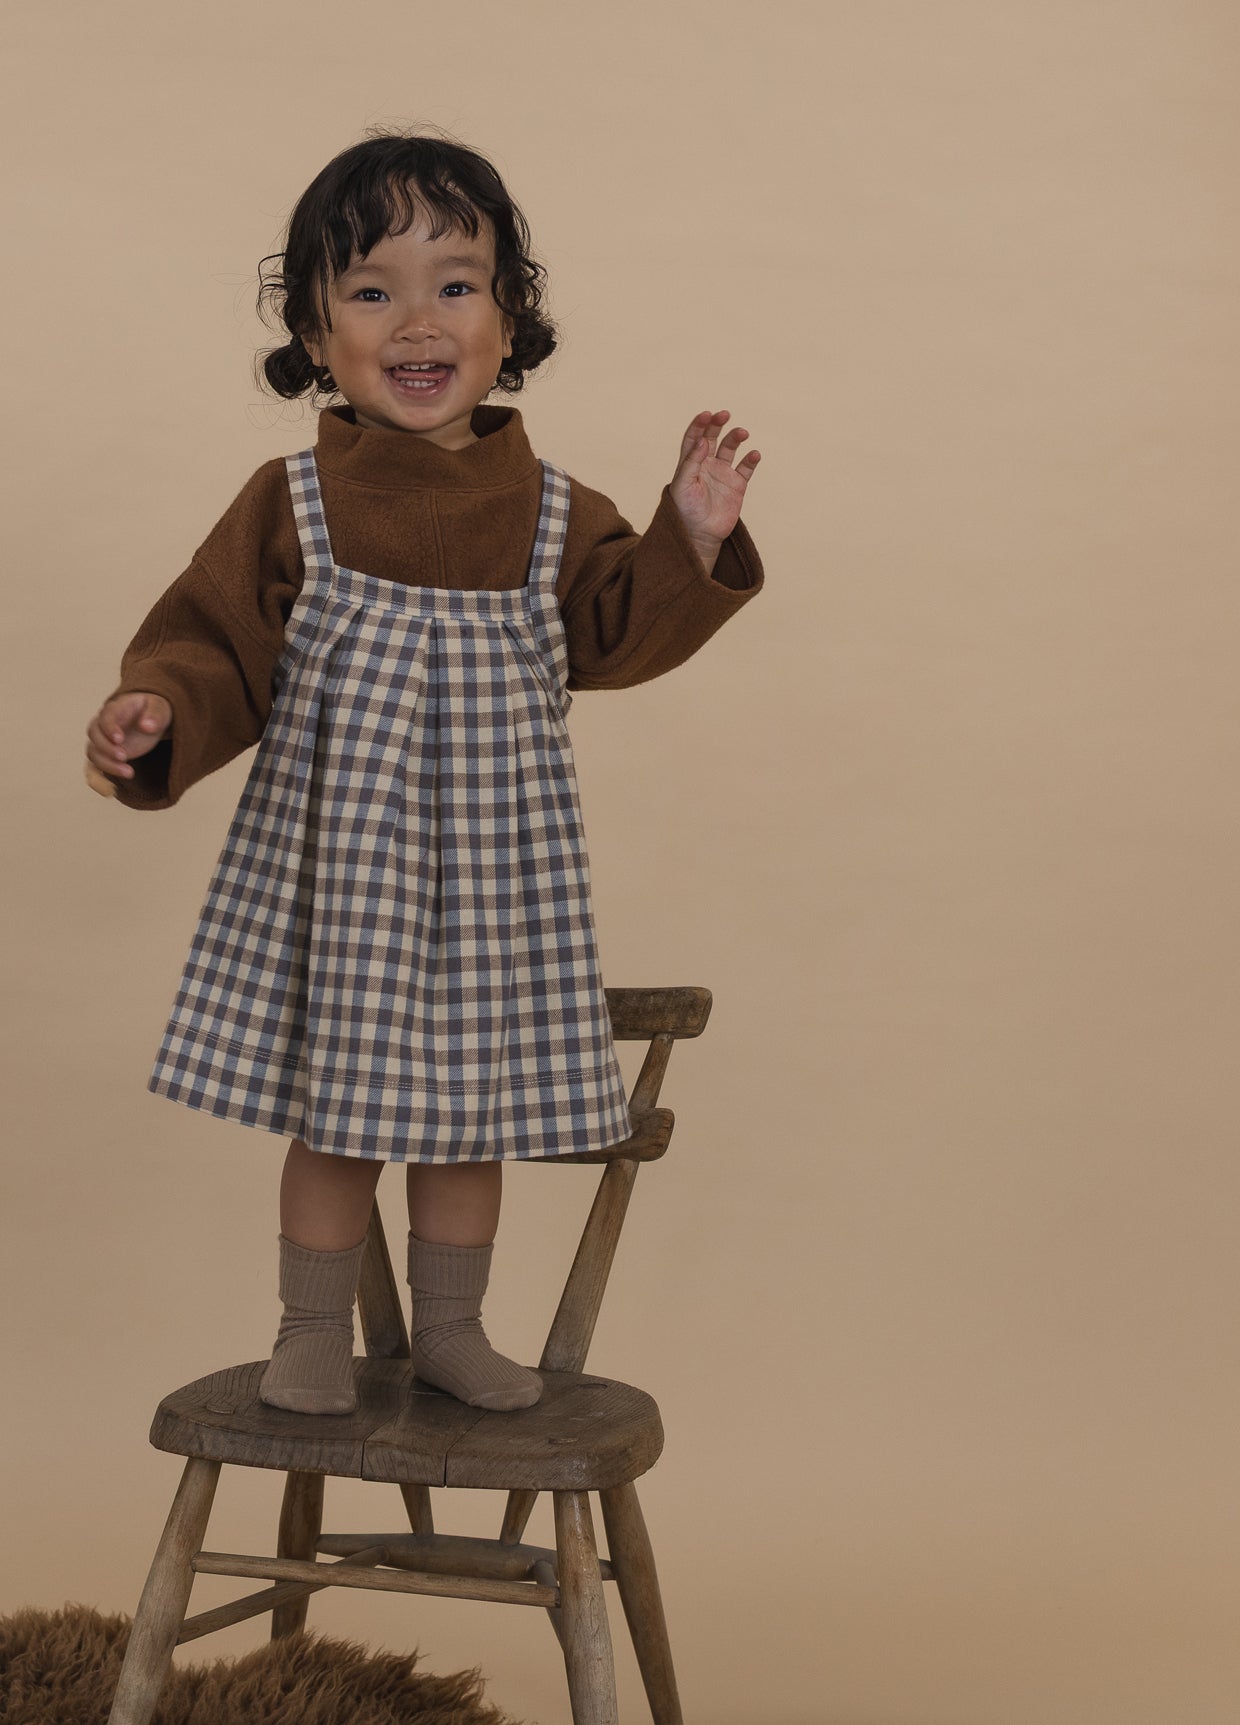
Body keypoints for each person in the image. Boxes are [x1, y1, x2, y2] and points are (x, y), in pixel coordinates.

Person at [84, 130, 763, 1417]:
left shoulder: (554, 509)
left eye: (457, 285)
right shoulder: (293, 500)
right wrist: (154, 713)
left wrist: (687, 539)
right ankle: (308, 1330)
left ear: (511, 321)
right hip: (340, 872)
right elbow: (216, 645)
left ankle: (451, 1328)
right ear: (314, 329)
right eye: (370, 288)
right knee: (337, 1121)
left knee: (469, 1123)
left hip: (497, 880)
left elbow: (618, 629)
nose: (418, 320)